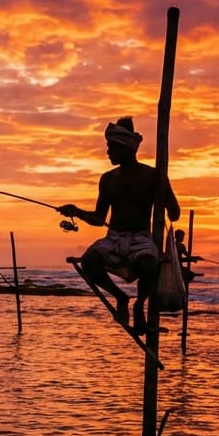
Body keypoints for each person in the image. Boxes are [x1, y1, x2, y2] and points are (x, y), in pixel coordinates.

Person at [58, 116, 180, 334]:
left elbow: (175, 213)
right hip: (114, 238)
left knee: (149, 265)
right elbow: (98, 218)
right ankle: (120, 298)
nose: (108, 152)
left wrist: (164, 189)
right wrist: (75, 211)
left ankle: (140, 304)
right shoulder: (107, 179)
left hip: (141, 238)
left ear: (126, 147)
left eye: (112, 147)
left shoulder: (152, 176)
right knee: (89, 261)